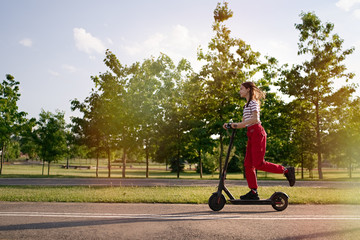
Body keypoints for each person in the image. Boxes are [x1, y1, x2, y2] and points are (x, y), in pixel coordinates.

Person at [223, 82, 295, 200]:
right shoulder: (245, 106)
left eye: (241, 89)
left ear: (248, 89)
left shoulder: (253, 103)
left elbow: (255, 119)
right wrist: (231, 125)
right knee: (248, 164)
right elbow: (242, 124)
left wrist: (235, 124)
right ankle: (253, 192)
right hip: (251, 134)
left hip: (257, 133)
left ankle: (286, 170)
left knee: (258, 164)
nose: (239, 91)